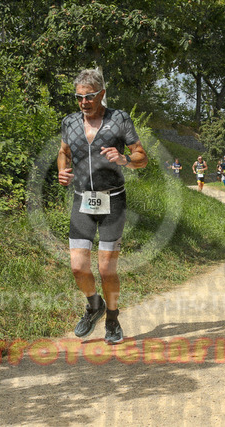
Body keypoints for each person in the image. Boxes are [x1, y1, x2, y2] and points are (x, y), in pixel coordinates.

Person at [58, 69, 148, 345]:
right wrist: (62, 170)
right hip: (82, 200)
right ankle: (94, 305)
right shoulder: (69, 122)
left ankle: (112, 318)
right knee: (78, 267)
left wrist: (124, 159)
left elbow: (142, 157)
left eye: (89, 97)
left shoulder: (119, 119)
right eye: (79, 97)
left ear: (102, 94)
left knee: (107, 270)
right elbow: (63, 152)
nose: (84, 102)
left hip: (113, 201)